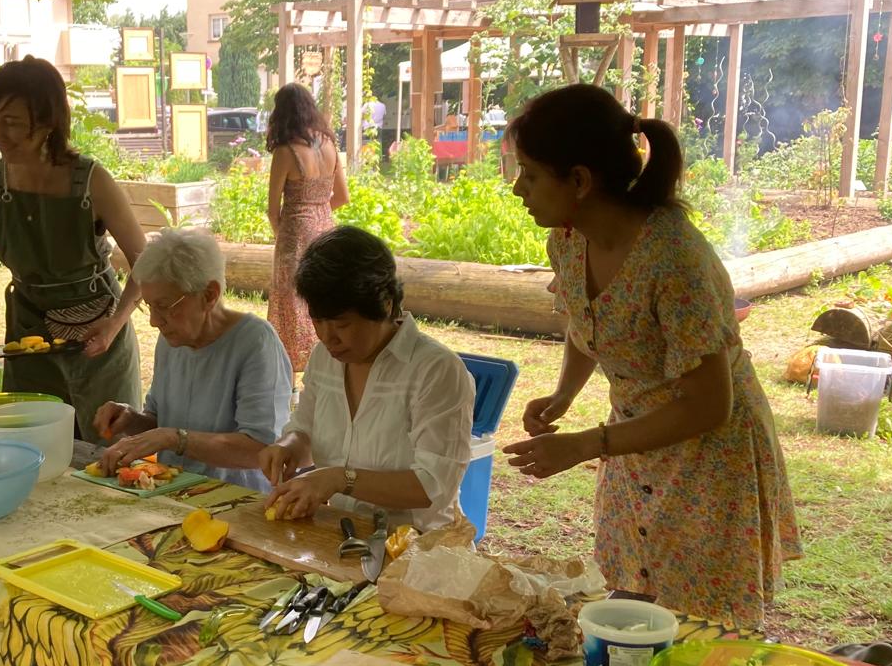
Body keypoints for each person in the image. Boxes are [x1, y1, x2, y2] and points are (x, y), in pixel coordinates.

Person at [500, 83, 800, 627]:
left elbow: (710, 405)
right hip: (634, 444)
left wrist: (587, 445)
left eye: (530, 173)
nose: (518, 188)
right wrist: (563, 395)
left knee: (700, 628)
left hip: (710, 459)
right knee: (632, 603)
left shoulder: (672, 259)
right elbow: (588, 323)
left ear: (580, 181)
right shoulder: (569, 242)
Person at [0, 57, 145, 438]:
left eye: (11, 122)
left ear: (46, 124)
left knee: (112, 449)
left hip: (99, 337)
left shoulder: (93, 182)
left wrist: (115, 323)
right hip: (29, 336)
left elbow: (147, 265)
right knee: (33, 444)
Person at [260, 226, 473, 531]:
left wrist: (339, 479)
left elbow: (432, 485)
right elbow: (305, 428)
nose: (327, 337)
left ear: (384, 304)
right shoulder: (324, 358)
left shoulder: (436, 370)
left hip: (420, 546)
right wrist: (288, 446)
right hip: (347, 533)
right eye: (317, 321)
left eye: (342, 324)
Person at [95, 229, 291, 491]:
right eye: (150, 306)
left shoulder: (255, 342)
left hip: (239, 499)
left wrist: (173, 438)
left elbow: (260, 450)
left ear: (209, 295)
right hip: (174, 492)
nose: (154, 321)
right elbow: (160, 421)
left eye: (164, 306)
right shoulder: (173, 339)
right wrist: (131, 420)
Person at [265, 83, 349, 372]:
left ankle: (289, 380)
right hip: (325, 229)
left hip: (295, 233)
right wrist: (319, 212)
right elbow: (342, 197)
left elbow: (272, 208)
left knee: (291, 304)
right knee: (323, 298)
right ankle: (325, 365)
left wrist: (283, 234)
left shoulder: (286, 152)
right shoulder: (329, 145)